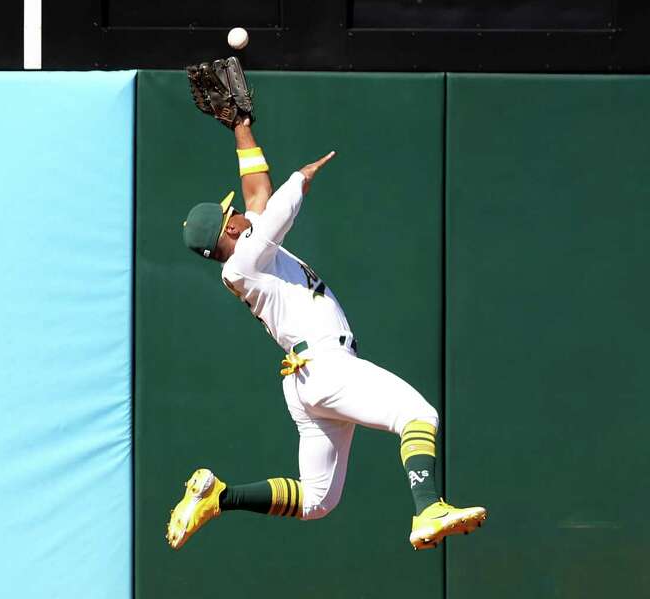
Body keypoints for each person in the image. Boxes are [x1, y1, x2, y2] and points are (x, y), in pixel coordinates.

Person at [167, 117, 485, 551]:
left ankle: (220, 497)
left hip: (304, 378)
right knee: (418, 414)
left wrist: (241, 127)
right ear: (229, 228)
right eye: (232, 214)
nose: (240, 212)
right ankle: (428, 508)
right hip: (325, 365)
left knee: (317, 501)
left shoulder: (251, 250)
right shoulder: (243, 262)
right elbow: (276, 204)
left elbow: (257, 192)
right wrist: (302, 176)